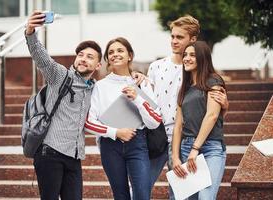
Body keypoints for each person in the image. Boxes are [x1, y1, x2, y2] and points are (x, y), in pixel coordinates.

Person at [133, 15, 229, 199]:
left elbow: (209, 113)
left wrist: (225, 105)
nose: (174, 41)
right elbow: (149, 99)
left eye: (180, 37)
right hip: (158, 137)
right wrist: (139, 80)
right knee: (141, 189)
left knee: (181, 195)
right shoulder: (157, 67)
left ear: (193, 40)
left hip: (188, 140)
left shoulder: (199, 74)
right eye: (172, 36)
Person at [25, 11, 102, 200]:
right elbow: (40, 56)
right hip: (50, 152)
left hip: (74, 156)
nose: (83, 58)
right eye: (81, 55)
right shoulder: (60, 76)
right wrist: (30, 32)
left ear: (98, 65)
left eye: (90, 57)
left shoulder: (95, 90)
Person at [84, 37, 162, 200]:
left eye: (120, 50)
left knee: (142, 194)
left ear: (130, 56)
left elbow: (154, 122)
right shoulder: (100, 86)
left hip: (137, 144)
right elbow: (89, 122)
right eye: (111, 52)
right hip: (110, 146)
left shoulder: (142, 83)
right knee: (120, 196)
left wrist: (137, 99)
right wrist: (116, 132)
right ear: (107, 59)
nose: (115, 54)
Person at [172, 41, 226, 199]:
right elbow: (178, 126)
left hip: (211, 148)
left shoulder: (213, 81)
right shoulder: (185, 88)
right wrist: (175, 157)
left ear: (202, 58)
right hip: (186, 147)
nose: (187, 58)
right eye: (185, 55)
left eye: (192, 55)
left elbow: (212, 115)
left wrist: (195, 148)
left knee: (205, 197)